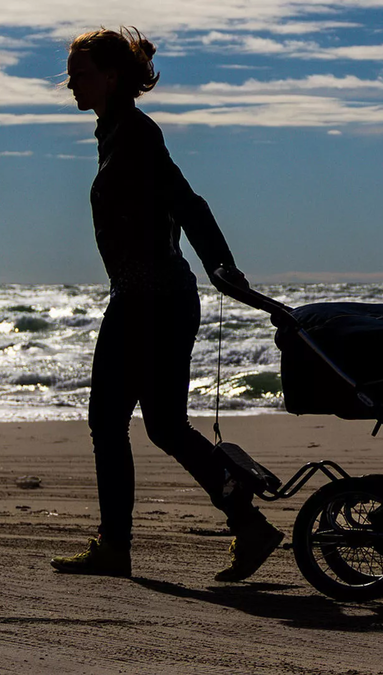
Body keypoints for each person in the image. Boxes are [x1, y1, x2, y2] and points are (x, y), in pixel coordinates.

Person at [51, 27, 282, 581]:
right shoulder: (118, 132)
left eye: (79, 74)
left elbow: (188, 202)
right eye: (69, 75)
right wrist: (215, 266)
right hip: (156, 298)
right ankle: (248, 525)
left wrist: (221, 265)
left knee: (110, 422)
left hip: (148, 300)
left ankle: (114, 547)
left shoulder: (134, 134)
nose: (71, 85)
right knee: (164, 425)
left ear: (111, 77)